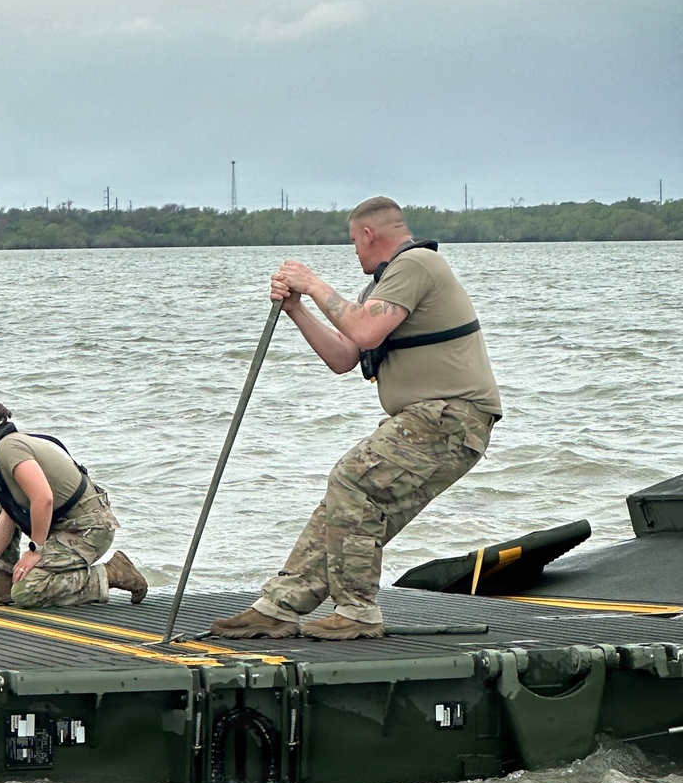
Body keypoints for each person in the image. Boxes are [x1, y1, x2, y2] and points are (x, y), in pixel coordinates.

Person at [209, 195, 502, 641]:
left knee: (351, 479)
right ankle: (281, 606)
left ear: (368, 234)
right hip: (433, 420)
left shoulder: (417, 264)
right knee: (344, 506)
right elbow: (345, 355)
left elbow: (364, 329)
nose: (355, 252)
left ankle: (358, 611)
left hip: (450, 416)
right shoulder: (382, 288)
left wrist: (311, 283)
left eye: (353, 242)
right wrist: (297, 310)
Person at [0, 402, 147, 609]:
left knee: (26, 591)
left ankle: (112, 573)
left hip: (88, 530)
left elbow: (43, 498)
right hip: (67, 527)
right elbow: (8, 515)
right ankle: (3, 578)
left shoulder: (8, 449)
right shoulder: (1, 454)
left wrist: (35, 550)